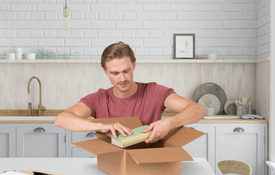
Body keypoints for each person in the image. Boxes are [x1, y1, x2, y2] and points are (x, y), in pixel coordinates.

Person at [55, 42, 206, 143]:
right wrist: (101, 127)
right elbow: (62, 119)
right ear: (105, 71)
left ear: (134, 65)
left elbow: (198, 109)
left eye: (126, 71)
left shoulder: (154, 91)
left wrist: (169, 123)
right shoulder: (98, 99)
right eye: (115, 73)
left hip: (150, 163)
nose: (122, 78)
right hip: (110, 165)